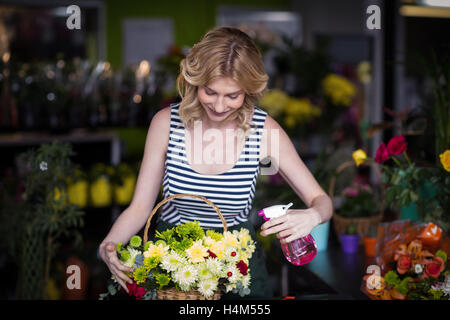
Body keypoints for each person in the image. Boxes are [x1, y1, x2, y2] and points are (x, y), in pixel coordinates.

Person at [99, 26, 333, 298]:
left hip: (237, 265)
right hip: (172, 261)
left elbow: (322, 200)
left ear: (248, 90)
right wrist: (109, 243)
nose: (220, 106)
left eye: (233, 96)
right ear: (194, 81)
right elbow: (140, 208)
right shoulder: (166, 124)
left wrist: (312, 216)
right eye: (210, 92)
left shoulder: (264, 131)